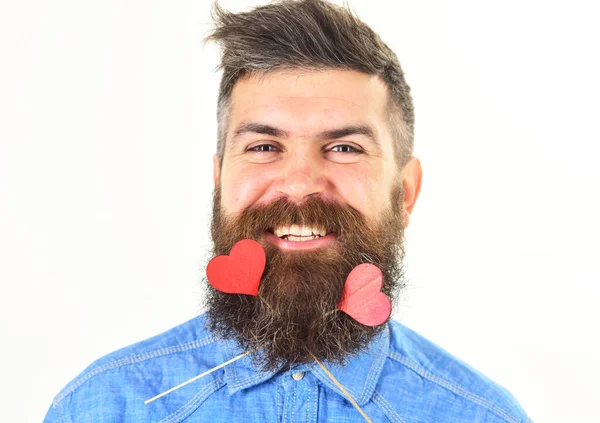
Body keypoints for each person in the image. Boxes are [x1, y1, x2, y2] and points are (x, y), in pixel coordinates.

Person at [43, 1, 531, 421]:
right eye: (263, 146)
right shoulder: (102, 409)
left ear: (404, 193)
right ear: (219, 183)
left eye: (344, 148)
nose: (299, 184)